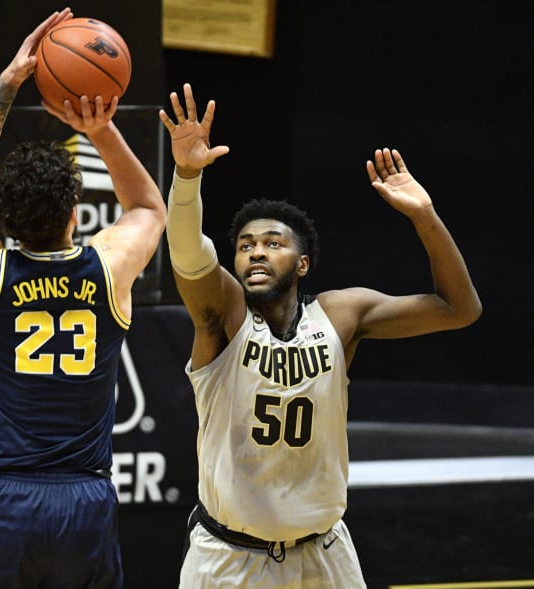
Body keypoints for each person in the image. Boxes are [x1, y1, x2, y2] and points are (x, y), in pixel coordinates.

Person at [158, 83, 482, 588]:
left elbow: (459, 309)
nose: (256, 252)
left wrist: (424, 216)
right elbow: (187, 254)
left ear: (303, 263)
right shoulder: (223, 316)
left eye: (272, 243)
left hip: (324, 551)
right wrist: (187, 176)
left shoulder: (340, 315)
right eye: (245, 245)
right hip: (230, 558)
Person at [0, 8, 166, 589]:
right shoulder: (107, 269)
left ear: (4, 222)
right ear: (75, 212)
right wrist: (98, 126)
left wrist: (11, 80)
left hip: (3, 499)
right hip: (84, 498)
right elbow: (146, 209)